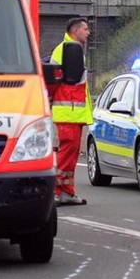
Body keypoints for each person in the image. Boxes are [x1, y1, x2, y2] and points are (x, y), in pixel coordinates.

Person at [49, 17, 93, 206]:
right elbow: (53, 80)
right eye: (85, 29)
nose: (88, 32)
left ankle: (67, 190)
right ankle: (57, 192)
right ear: (75, 31)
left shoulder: (73, 50)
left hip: (74, 112)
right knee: (66, 154)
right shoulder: (65, 50)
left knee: (72, 154)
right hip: (68, 112)